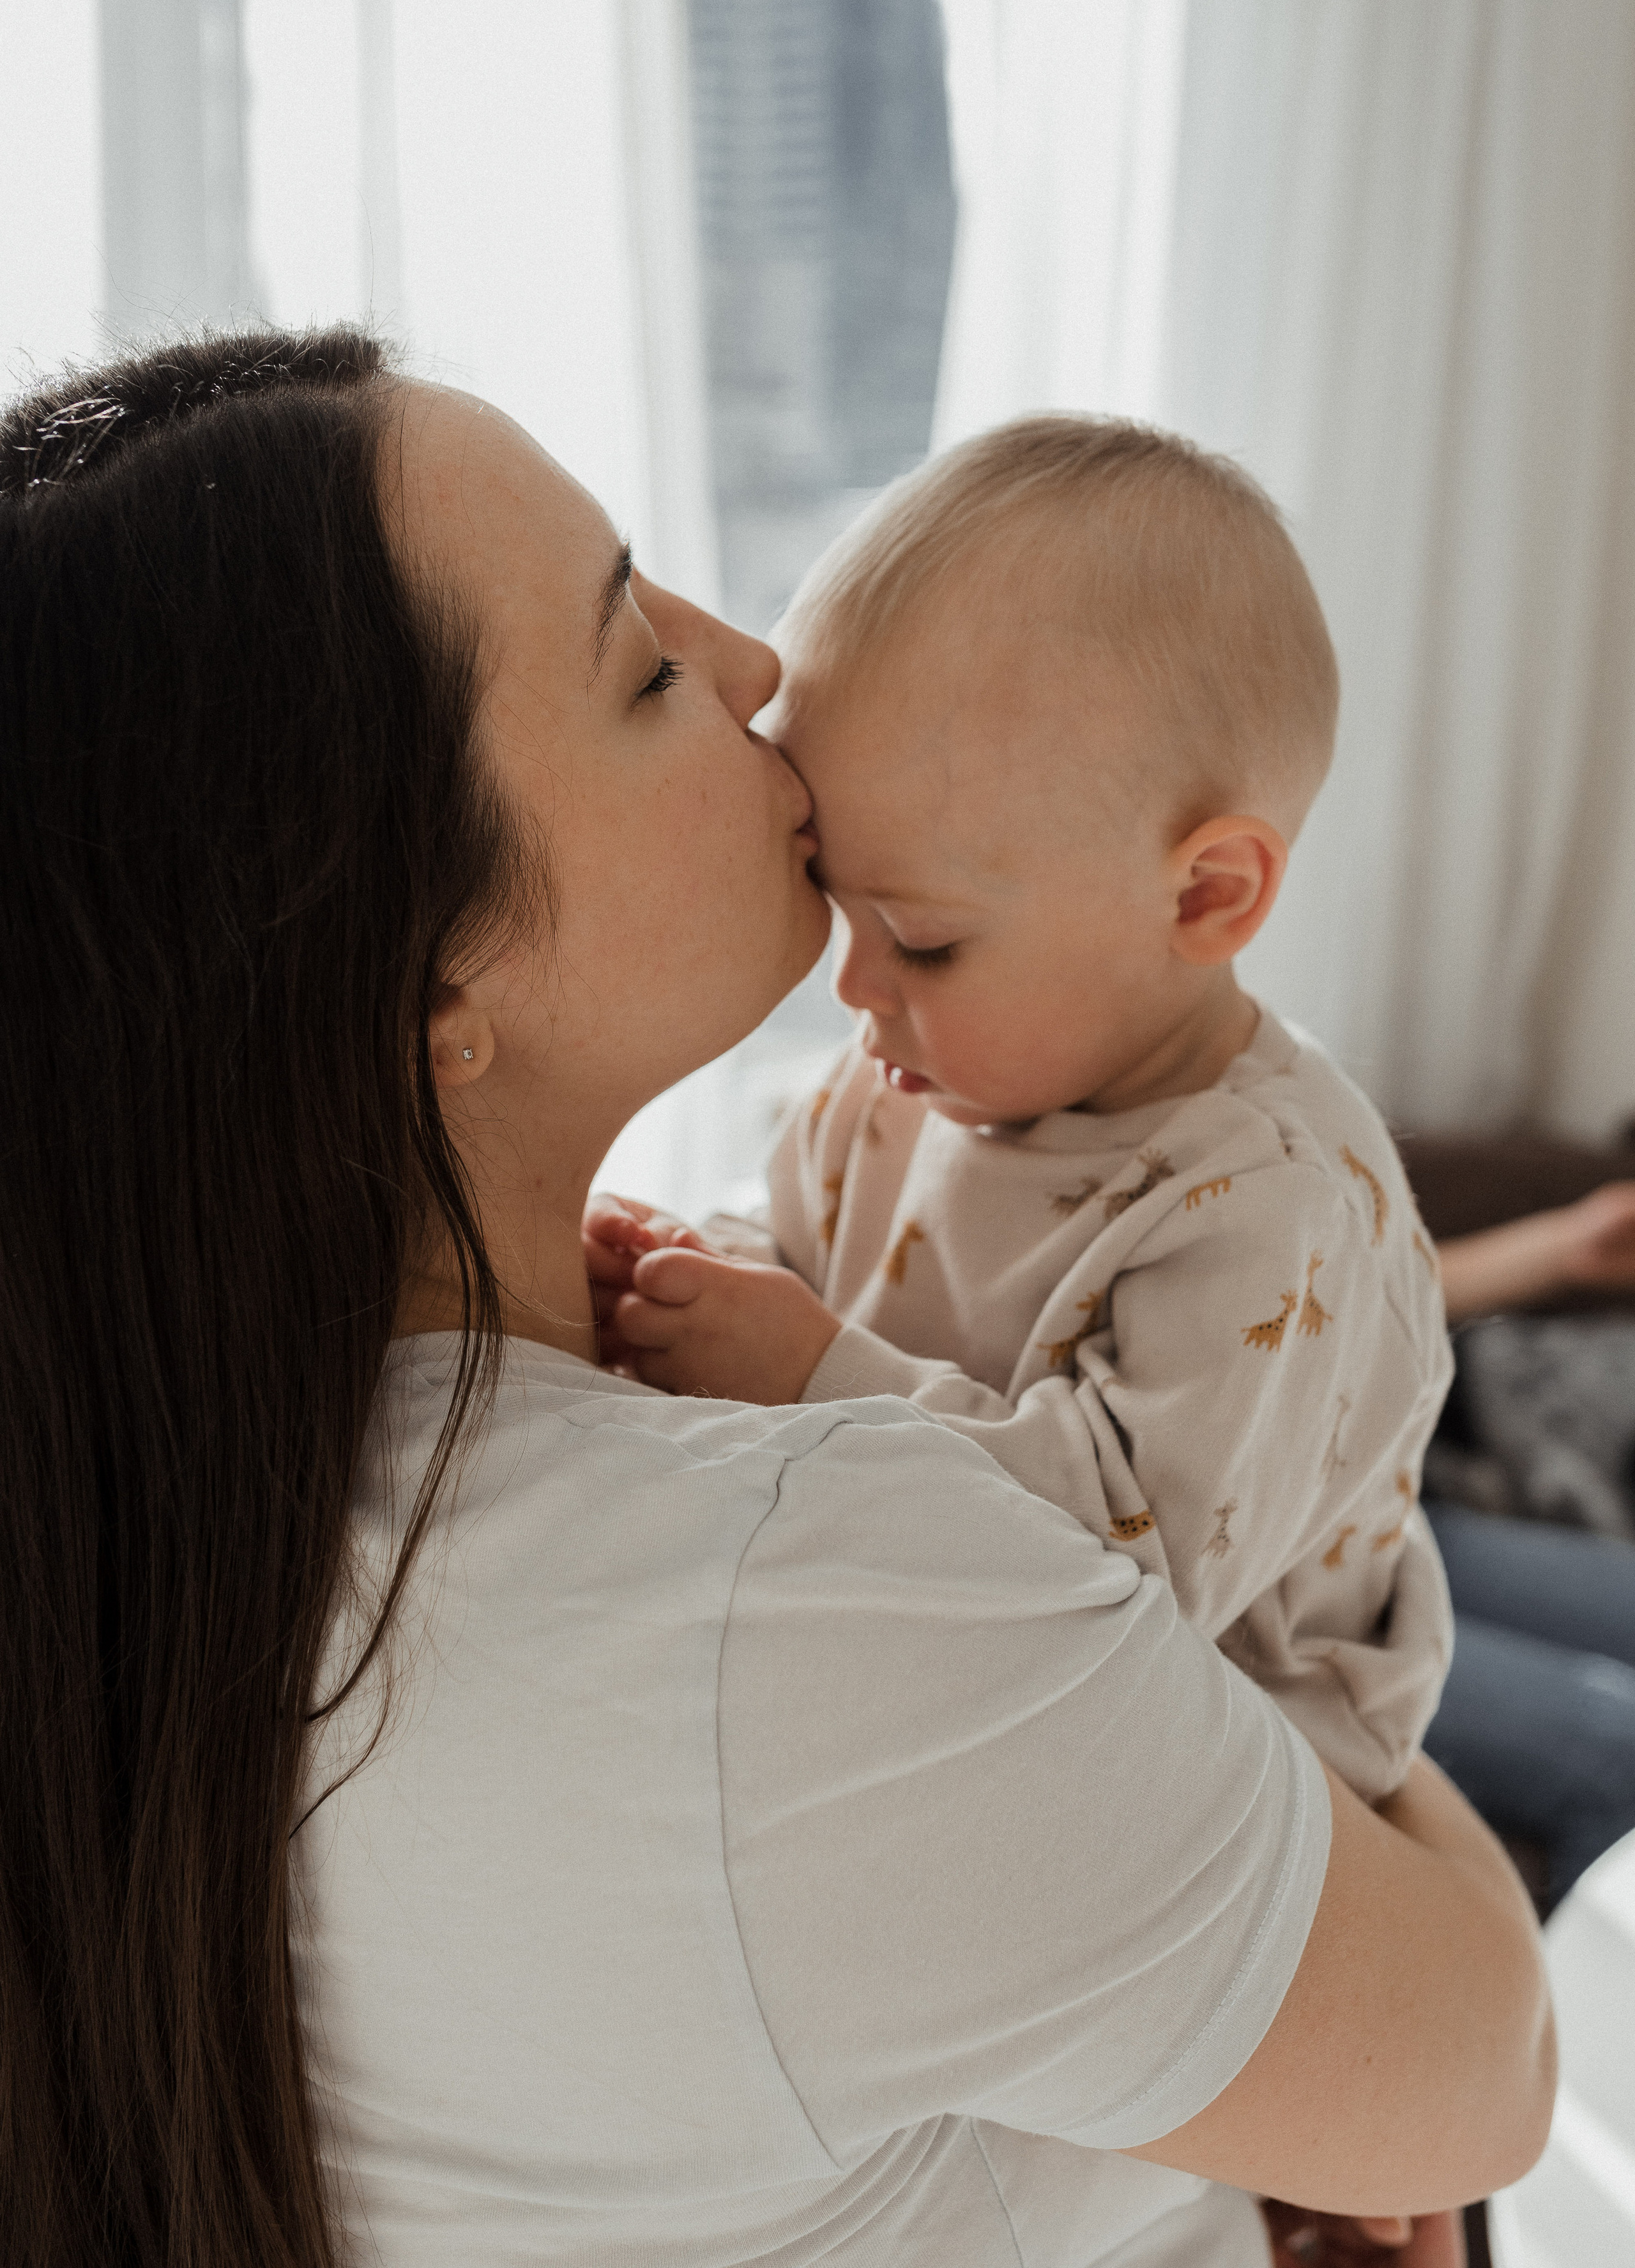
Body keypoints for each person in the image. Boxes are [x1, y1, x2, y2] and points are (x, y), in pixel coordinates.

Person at [0, 335, 1551, 2268]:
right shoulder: (789, 1587)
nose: (751, 668)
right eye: (639, 661)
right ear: (419, 989)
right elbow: (1483, 2065)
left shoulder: (182, 1484)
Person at [592, 416, 1451, 1810]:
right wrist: (695, 1277)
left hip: (1234, 1783)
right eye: (839, 906)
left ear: (1203, 898)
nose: (854, 984)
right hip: (965, 1670)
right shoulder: (907, 1075)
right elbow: (805, 1253)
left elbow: (1119, 1580)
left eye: (922, 940)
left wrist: (812, 1371)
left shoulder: (1268, 1205)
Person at [1424, 1184, 1635, 1906]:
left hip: (1385, 1516)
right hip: (1250, 1588)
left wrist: (1564, 1247)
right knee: (1620, 1757)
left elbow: (1353, 1295)